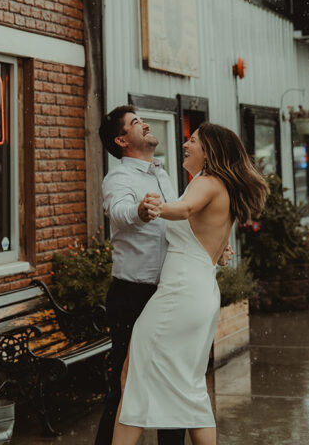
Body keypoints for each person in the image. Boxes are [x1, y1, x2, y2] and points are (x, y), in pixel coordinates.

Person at [112, 122, 268, 445]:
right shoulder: (220, 185)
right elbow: (205, 234)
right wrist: (219, 252)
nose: (186, 144)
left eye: (193, 141)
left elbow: (184, 210)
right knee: (189, 386)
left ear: (209, 151)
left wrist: (155, 207)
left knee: (134, 374)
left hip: (180, 296)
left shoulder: (208, 181)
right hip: (200, 294)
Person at [96, 106, 230, 445]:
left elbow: (185, 221)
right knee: (125, 387)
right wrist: (140, 211)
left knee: (174, 384)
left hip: (171, 294)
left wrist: (213, 247)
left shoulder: (165, 175)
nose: (144, 123)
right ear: (122, 139)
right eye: (135, 123)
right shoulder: (118, 179)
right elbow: (119, 212)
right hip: (134, 294)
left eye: (141, 119)